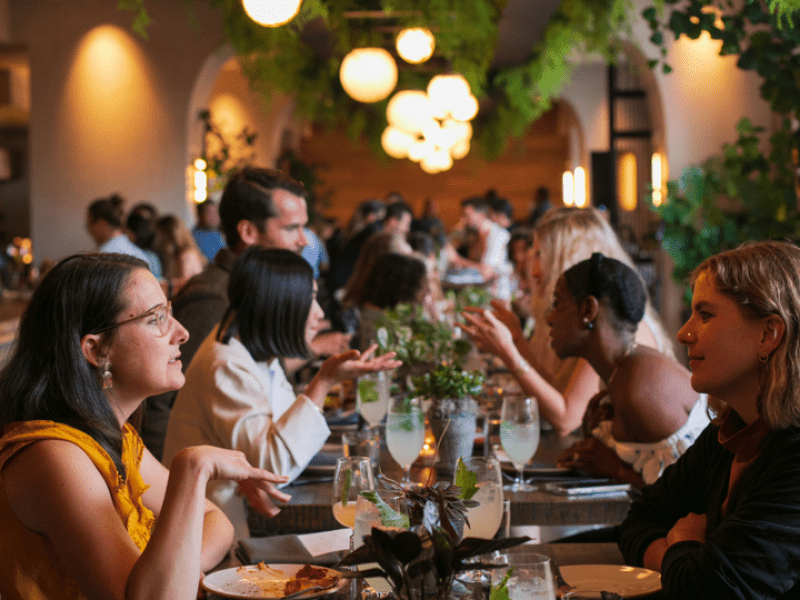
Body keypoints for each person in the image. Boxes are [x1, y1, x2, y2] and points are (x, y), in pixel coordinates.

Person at [0, 252, 290, 600]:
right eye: (157, 319)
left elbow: (217, 522)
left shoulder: (116, 438)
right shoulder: (55, 456)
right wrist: (193, 467)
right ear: (96, 350)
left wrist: (173, 572)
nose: (181, 332)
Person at [163, 248, 401, 540]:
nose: (320, 314)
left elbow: (284, 437)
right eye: (310, 299)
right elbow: (272, 466)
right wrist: (323, 381)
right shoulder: (224, 364)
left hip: (236, 520)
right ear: (279, 304)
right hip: (209, 533)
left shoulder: (254, 351)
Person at [619, 241, 800, 598]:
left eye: (705, 314)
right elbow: (638, 520)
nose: (684, 333)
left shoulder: (794, 459)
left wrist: (681, 547)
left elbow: (705, 591)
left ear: (768, 334)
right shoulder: (731, 432)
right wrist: (685, 557)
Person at [140, 167, 350, 461]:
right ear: (249, 232)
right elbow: (158, 404)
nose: (304, 240)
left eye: (304, 227)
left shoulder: (260, 291)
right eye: (292, 228)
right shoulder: (213, 298)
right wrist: (173, 485)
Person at [461, 206, 674, 435]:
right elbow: (558, 389)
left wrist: (508, 352)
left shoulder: (611, 323)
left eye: (541, 255)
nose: (533, 270)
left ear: (570, 260)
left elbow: (566, 419)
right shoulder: (586, 318)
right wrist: (517, 340)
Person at [541, 253, 707, 488]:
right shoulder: (620, 373)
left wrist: (615, 468)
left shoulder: (641, 388)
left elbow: (696, 493)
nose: (549, 318)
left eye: (558, 303)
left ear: (588, 309)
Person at [356, 253, 431, 351]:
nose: (428, 291)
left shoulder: (379, 316)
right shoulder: (375, 324)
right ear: (403, 288)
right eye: (421, 286)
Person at [446, 196, 513, 301]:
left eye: (466, 216)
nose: (462, 220)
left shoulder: (497, 235)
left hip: (497, 298)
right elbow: (449, 242)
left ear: (481, 216)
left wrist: (457, 260)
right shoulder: (473, 234)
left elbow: (487, 272)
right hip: (477, 294)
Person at [153, 214, 207, 298]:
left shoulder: (187, 254)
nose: (157, 240)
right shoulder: (177, 254)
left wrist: (164, 284)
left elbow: (186, 284)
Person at [86, 194, 150, 265]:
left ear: (101, 224)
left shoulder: (102, 257)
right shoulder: (140, 254)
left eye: (89, 224)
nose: (89, 230)